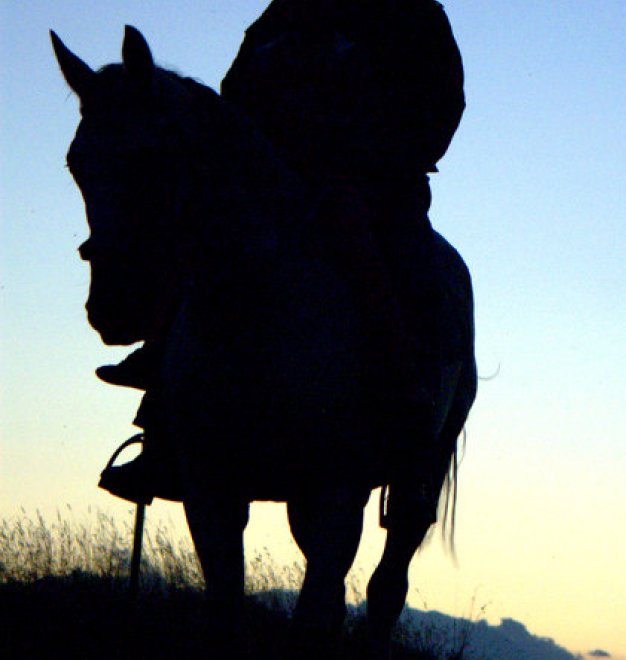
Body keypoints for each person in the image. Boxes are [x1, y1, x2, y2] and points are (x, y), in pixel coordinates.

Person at [99, 0, 466, 525]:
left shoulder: (413, 14)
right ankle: (161, 414)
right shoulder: (289, 9)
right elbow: (235, 90)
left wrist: (378, 151)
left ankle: (412, 427)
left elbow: (443, 102)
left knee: (409, 272)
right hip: (277, 176)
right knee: (207, 236)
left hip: (373, 181)